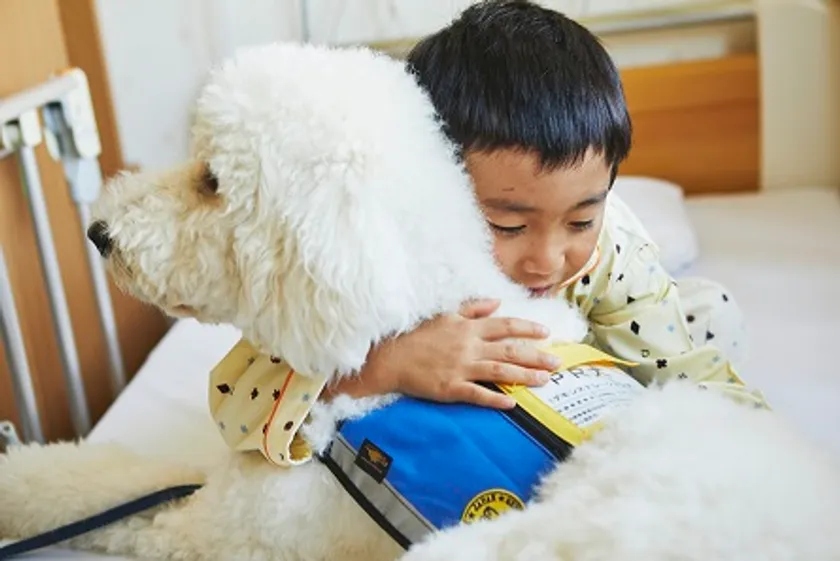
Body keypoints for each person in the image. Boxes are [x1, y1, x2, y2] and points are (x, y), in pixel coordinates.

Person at [324, 0, 765, 410]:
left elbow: (702, 386)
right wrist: (386, 365)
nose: (547, 262)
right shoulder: (374, 246)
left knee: (711, 314)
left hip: (604, 351)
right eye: (508, 226)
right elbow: (281, 380)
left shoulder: (610, 258)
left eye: (581, 221)